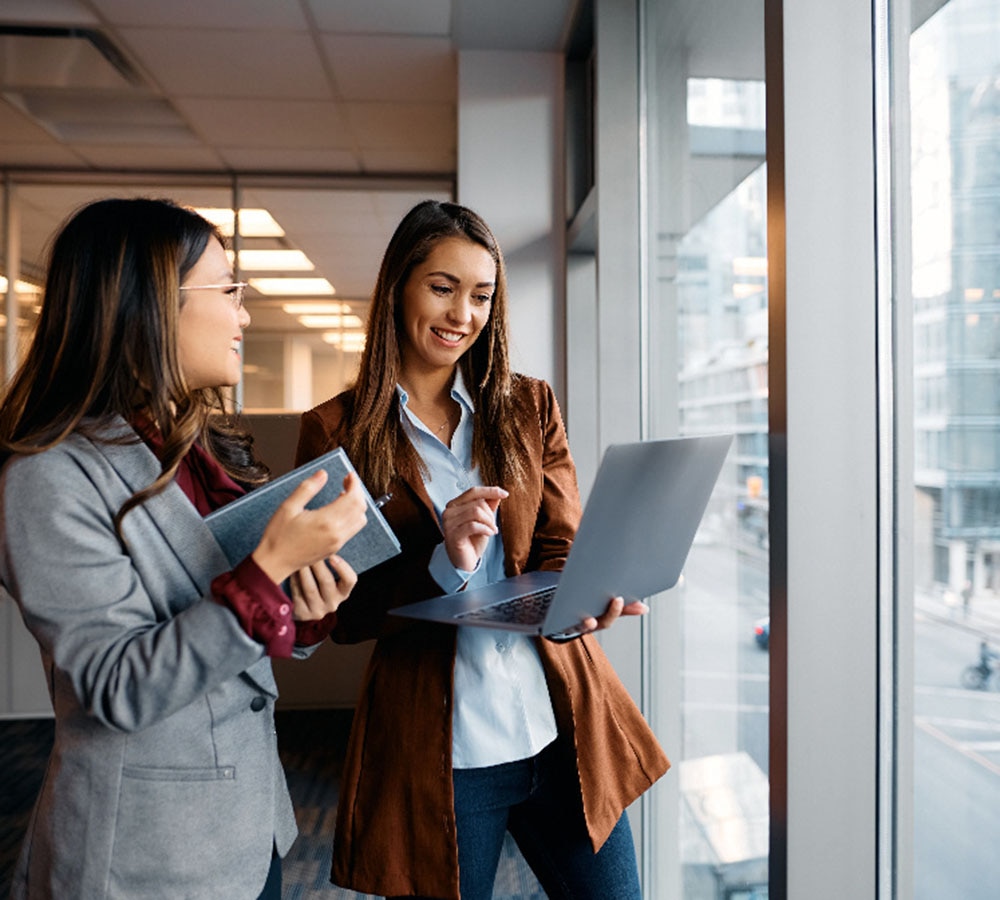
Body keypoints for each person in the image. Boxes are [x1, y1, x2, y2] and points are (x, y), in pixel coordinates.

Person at [295, 199, 670, 900]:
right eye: (442, 287)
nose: (461, 314)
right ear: (399, 286)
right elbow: (343, 613)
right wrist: (446, 558)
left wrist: (587, 598)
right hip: (444, 749)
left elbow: (559, 546)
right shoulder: (336, 431)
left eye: (481, 295)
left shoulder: (530, 406)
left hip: (559, 726)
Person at [0, 197, 369, 900]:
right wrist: (266, 579)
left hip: (243, 825)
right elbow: (117, 685)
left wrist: (300, 601)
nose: (243, 314)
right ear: (151, 307)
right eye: (229, 290)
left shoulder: (191, 447)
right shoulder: (46, 478)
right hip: (145, 857)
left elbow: (224, 625)